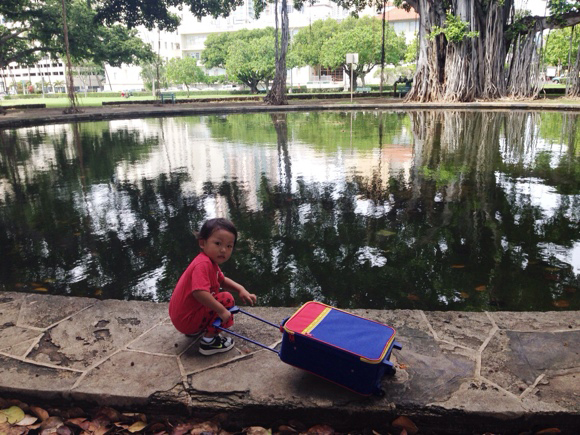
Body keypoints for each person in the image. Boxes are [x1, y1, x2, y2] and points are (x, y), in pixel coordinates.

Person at [169, 218, 257, 355]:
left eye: (229, 246)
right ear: (203, 243)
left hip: (184, 318)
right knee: (226, 300)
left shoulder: (208, 261)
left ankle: (199, 328)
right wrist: (221, 310)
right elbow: (199, 292)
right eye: (218, 243)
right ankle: (209, 343)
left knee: (219, 300)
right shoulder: (202, 264)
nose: (223, 250)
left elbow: (221, 280)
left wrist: (240, 289)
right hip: (186, 320)